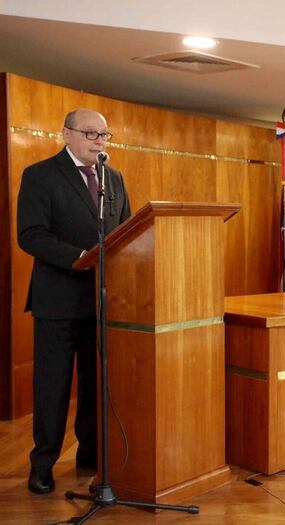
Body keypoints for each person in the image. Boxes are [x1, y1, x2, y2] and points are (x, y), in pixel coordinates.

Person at [17, 108, 132, 494]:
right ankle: (43, 464)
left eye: (104, 135)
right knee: (52, 385)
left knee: (94, 384)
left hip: (101, 302)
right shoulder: (40, 175)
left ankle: (89, 454)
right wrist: (78, 257)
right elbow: (30, 235)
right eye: (91, 133)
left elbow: (127, 231)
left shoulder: (113, 179)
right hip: (57, 300)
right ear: (66, 134)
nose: (99, 141)